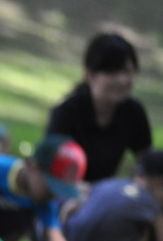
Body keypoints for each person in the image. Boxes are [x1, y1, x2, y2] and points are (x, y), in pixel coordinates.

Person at [46, 33, 152, 184]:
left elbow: (147, 161)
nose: (122, 80)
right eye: (112, 72)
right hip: (67, 193)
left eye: (127, 71)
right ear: (89, 75)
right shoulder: (67, 113)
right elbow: (49, 168)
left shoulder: (133, 112)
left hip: (103, 195)